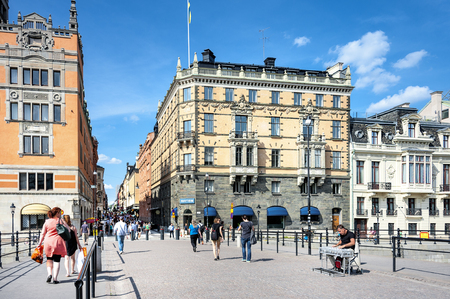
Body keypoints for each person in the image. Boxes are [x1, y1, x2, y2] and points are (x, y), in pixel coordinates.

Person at [37, 207, 70, 284]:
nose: (60, 214)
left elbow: (42, 234)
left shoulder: (47, 222)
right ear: (57, 213)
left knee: (49, 259)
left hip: (48, 242)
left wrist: (39, 243)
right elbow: (68, 230)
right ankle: (55, 279)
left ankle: (49, 274)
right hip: (58, 242)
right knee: (57, 261)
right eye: (60, 213)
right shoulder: (61, 221)